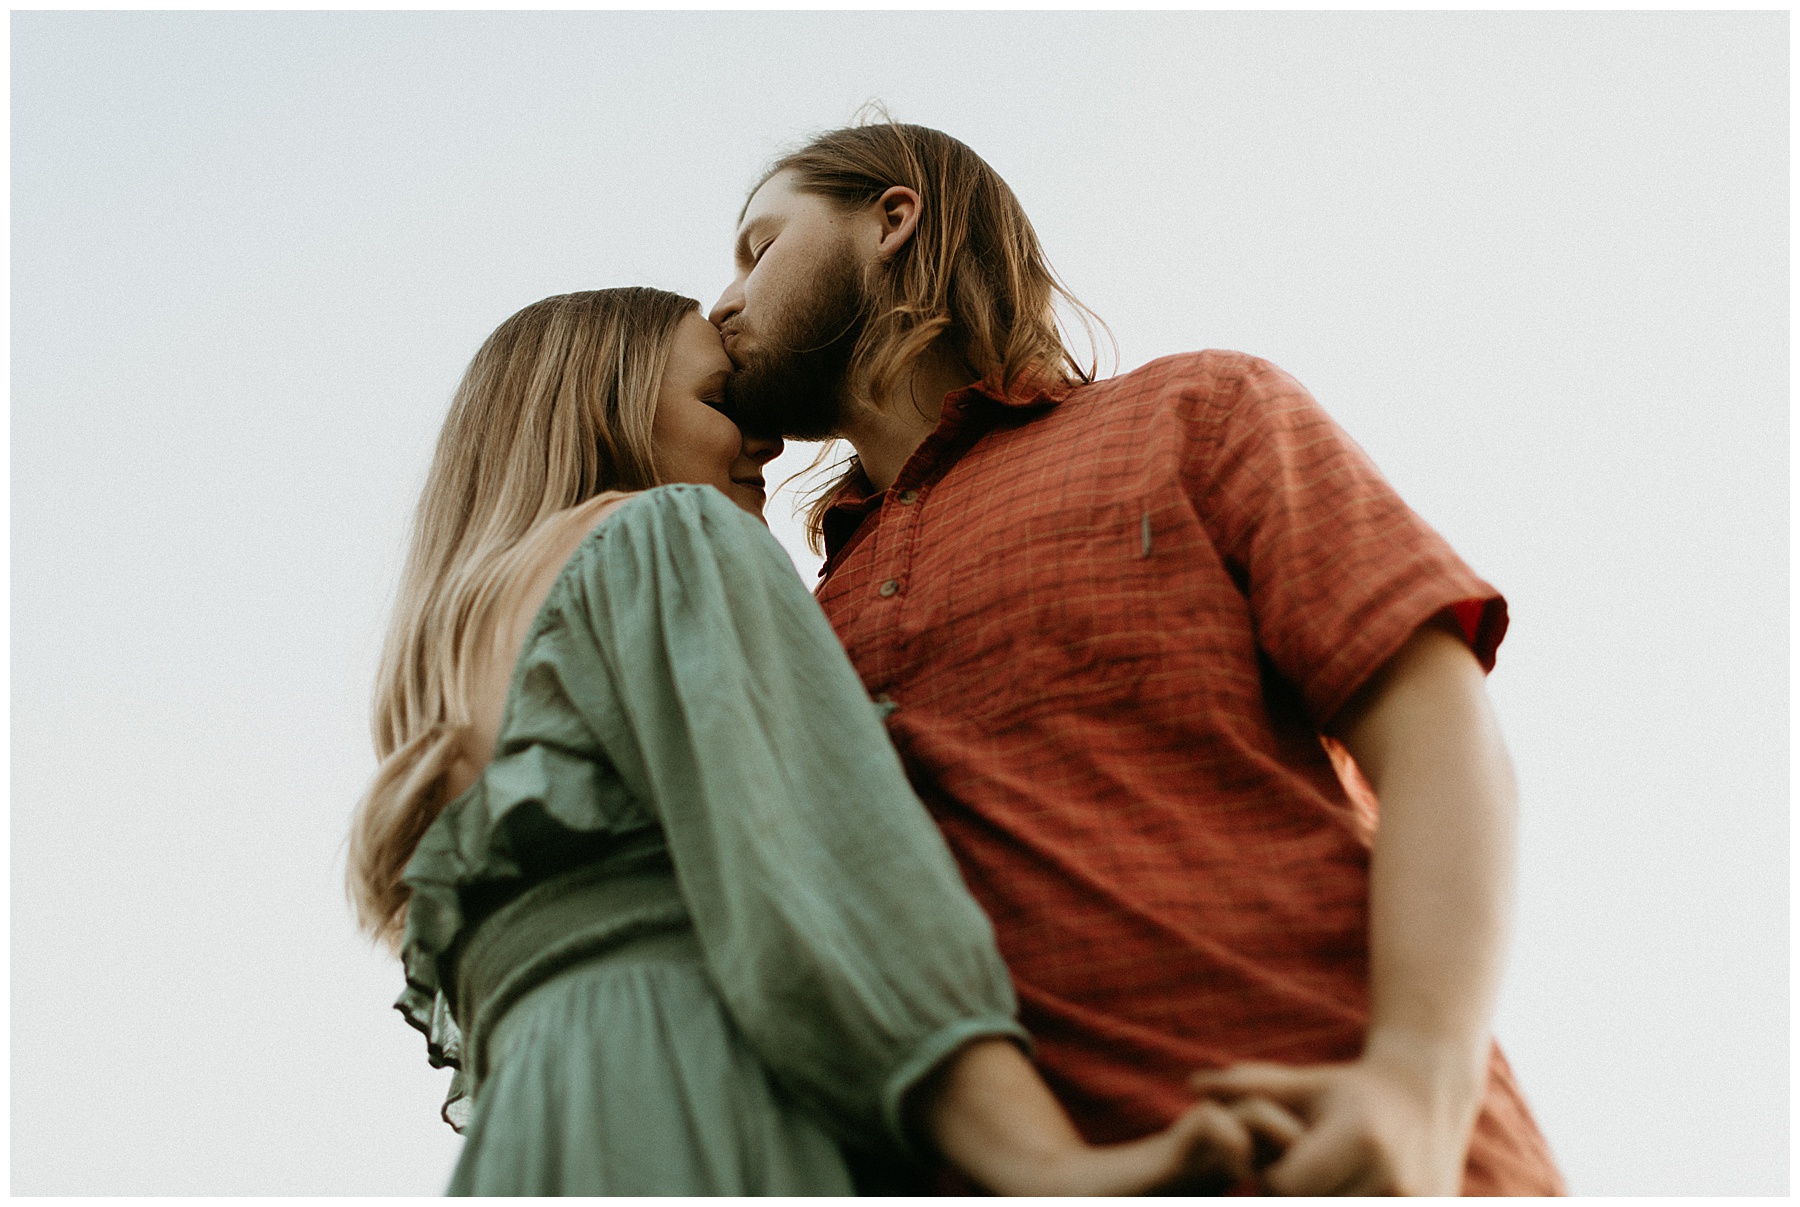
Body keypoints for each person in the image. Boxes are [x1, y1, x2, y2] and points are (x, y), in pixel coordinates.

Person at [708, 120, 1567, 1196]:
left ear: (892, 220)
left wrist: (1417, 1082)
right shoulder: (795, 624)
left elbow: (1442, 729)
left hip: (1346, 1155)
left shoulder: (1197, 413)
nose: (723, 302)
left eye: (758, 247)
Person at [344, 287, 1291, 1195]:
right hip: (697, 1098)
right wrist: (1048, 1161)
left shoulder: (447, 674)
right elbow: (826, 873)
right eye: (723, 402)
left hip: (541, 1133)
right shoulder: (672, 536)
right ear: (603, 409)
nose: (770, 438)